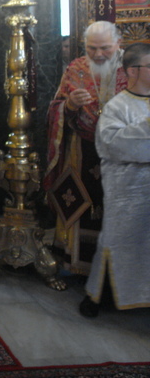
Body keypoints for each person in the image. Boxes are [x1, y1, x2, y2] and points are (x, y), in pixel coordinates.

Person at [44, 21, 128, 275]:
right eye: (92, 48)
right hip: (83, 150)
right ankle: (80, 264)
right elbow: (54, 109)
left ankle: (118, 270)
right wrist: (69, 105)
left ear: (118, 43)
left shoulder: (133, 67)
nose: (98, 54)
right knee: (84, 204)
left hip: (123, 154)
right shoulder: (76, 68)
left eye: (105, 48)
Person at [79, 42, 150, 318]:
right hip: (128, 193)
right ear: (133, 71)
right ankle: (97, 297)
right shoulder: (117, 107)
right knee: (120, 242)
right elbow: (112, 145)